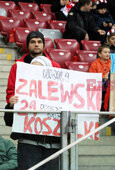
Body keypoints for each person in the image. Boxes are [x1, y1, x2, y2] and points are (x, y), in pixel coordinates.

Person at [4, 31, 61, 170]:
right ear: (27, 44)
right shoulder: (17, 66)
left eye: (39, 42)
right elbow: (11, 92)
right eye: (33, 42)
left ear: (43, 44)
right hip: (28, 129)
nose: (36, 45)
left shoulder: (56, 66)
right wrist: (12, 101)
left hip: (51, 130)